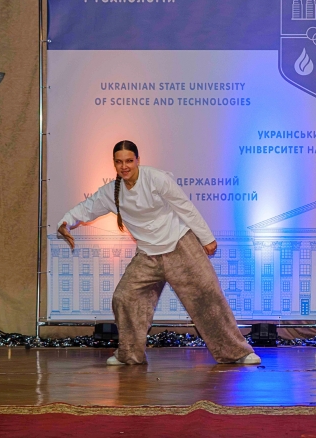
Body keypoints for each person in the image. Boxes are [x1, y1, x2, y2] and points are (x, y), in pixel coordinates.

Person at [57, 140, 260, 366]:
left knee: (208, 294)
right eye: (119, 162)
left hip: (180, 246)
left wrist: (206, 238)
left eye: (129, 161)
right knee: (125, 297)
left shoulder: (157, 178)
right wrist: (65, 223)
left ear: (138, 160)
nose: (124, 166)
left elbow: (185, 207)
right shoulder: (110, 192)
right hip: (148, 255)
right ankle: (129, 354)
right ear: (114, 164)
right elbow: (87, 208)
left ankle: (237, 353)